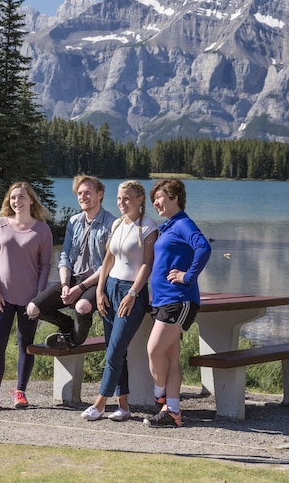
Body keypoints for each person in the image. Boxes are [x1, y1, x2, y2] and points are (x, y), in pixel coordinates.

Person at [81, 180, 157, 421]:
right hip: (110, 288)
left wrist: (133, 293)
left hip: (132, 292)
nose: (121, 203)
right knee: (115, 351)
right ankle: (123, 406)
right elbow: (108, 261)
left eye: (126, 198)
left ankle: (100, 403)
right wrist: (100, 290)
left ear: (139, 200)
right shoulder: (116, 224)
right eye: (119, 199)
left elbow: (147, 264)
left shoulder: (148, 227)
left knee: (114, 351)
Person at [143, 178, 212, 428]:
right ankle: (172, 411)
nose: (155, 202)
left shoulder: (183, 223)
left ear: (174, 196)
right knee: (170, 356)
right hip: (163, 300)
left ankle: (160, 395)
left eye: (159, 196)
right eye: (153, 199)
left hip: (179, 300)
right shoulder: (168, 226)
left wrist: (188, 276)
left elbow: (203, 248)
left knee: (154, 349)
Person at [0, 182, 53, 411]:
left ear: (31, 200)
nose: (17, 201)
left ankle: (20, 392)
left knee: (26, 344)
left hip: (30, 300)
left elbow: (45, 266)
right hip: (1, 298)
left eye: (22, 197)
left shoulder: (42, 230)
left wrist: (40, 297)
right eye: (13, 198)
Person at [26, 175, 116, 349]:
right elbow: (65, 256)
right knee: (32, 309)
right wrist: (66, 284)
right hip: (74, 279)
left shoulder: (111, 224)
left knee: (81, 307)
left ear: (100, 194)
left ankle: (75, 339)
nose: (82, 197)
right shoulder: (74, 222)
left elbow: (108, 264)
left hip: (98, 282)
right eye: (79, 193)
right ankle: (68, 325)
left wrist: (80, 289)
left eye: (87, 193)